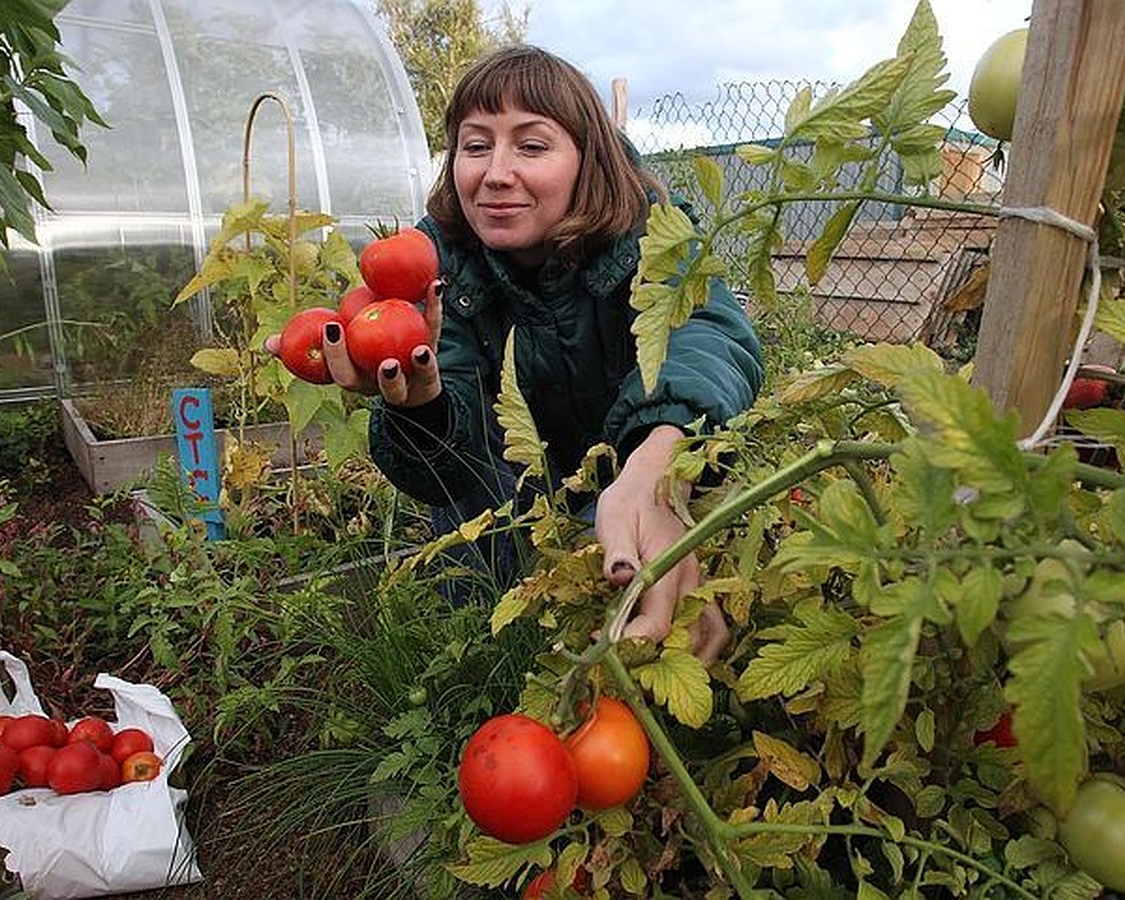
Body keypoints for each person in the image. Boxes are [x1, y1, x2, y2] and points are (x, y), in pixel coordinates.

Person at [270, 45, 764, 663]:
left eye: (531, 146)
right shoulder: (434, 269)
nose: (496, 172)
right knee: (484, 633)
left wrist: (654, 475)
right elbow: (451, 475)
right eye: (476, 147)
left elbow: (711, 338)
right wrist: (423, 412)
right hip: (500, 530)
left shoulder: (653, 236)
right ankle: (490, 663)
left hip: (633, 492)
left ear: (588, 160)